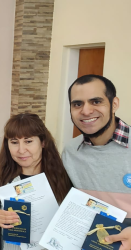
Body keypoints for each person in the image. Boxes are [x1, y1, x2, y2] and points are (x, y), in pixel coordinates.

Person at [0, 113, 72, 250]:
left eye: (28, 141)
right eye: (14, 142)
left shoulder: (62, 176)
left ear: (43, 142)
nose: (21, 150)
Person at [62, 74, 131, 248]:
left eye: (96, 101)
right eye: (77, 104)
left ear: (114, 104)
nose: (86, 111)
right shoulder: (70, 151)